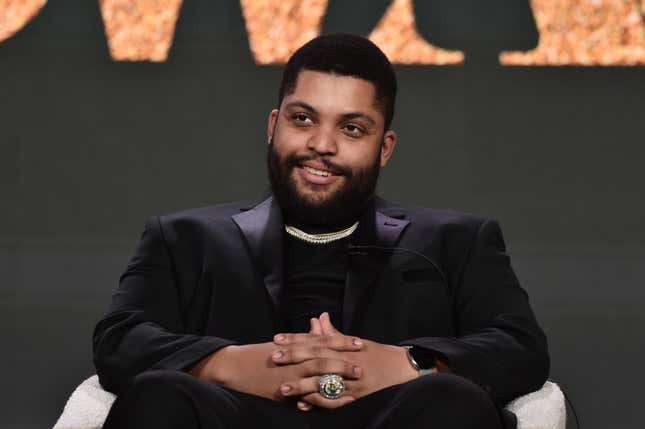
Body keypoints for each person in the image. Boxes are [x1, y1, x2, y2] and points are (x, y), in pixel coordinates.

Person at [94, 33, 549, 429]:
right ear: (274, 126)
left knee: (453, 400)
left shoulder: (458, 241)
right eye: (303, 119)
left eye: (351, 128)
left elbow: (521, 348)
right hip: (237, 416)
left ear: (384, 147)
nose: (322, 146)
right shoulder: (183, 238)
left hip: (390, 417)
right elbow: (119, 340)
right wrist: (228, 364)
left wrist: (411, 363)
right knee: (159, 396)